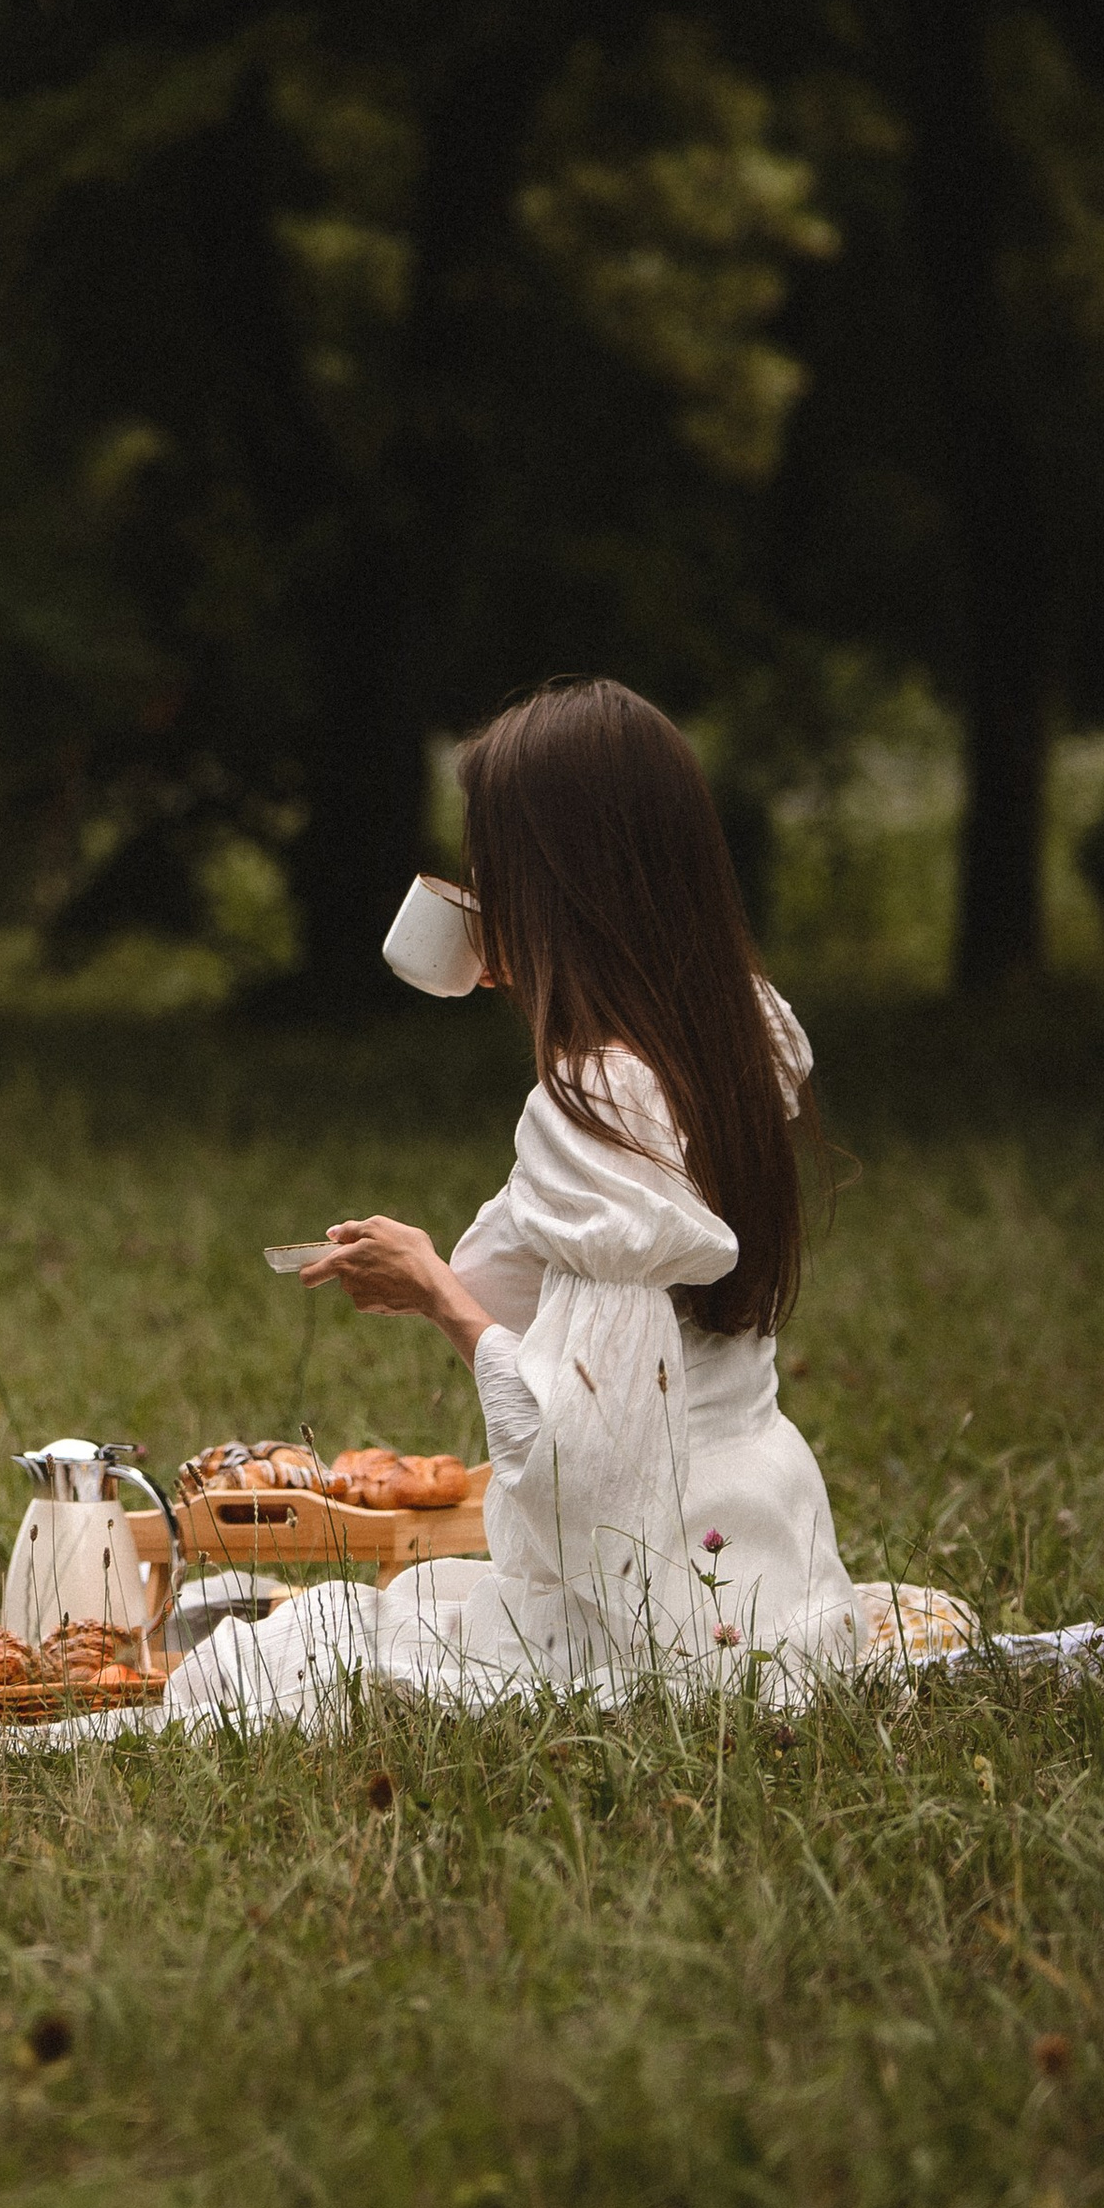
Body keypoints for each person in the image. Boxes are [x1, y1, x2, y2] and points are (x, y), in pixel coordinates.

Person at [171, 680, 887, 1729]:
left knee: (234, 1673)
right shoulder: (733, 1028)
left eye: (491, 869)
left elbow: (584, 1458)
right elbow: (591, 1299)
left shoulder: (596, 1095)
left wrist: (437, 1301)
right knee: (393, 1601)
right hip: (765, 1543)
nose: (475, 891)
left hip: (647, 1600)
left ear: (550, 884)